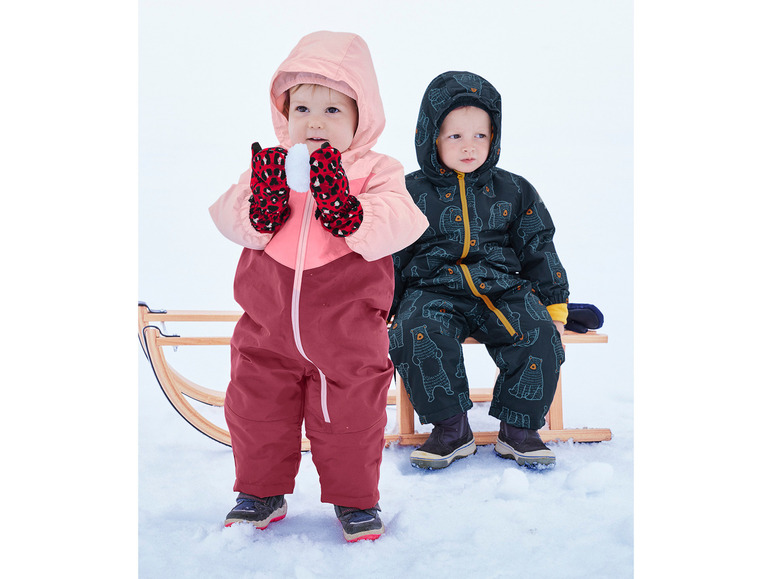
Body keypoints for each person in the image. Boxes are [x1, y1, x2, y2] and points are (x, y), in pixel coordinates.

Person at [209, 31, 428, 542]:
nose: (314, 122)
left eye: (332, 110)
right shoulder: (273, 166)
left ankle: (356, 499)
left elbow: (403, 222)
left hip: (347, 333)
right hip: (268, 328)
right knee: (257, 408)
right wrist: (261, 205)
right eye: (302, 108)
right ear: (284, 114)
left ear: (360, 117)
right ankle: (259, 492)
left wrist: (348, 208)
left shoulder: (376, 171)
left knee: (351, 415)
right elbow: (227, 216)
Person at [389, 71, 569, 471]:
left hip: (503, 289)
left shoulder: (514, 190)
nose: (469, 146)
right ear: (432, 137)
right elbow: (392, 254)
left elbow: (538, 245)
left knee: (538, 333)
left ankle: (519, 430)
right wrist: (384, 307)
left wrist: (554, 305)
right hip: (432, 290)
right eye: (455, 136)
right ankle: (451, 428)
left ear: (494, 138)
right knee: (416, 332)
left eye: (480, 136)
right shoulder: (409, 192)